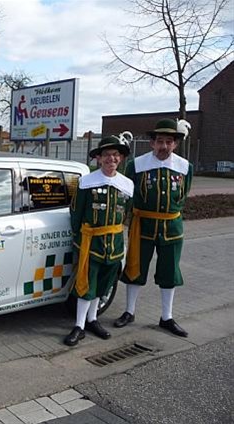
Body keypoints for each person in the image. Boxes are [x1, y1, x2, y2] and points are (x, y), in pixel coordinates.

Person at [115, 118, 193, 337]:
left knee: (170, 271)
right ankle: (129, 312)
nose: (164, 146)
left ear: (175, 144)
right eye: (160, 141)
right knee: (135, 267)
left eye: (169, 141)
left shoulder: (185, 167)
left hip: (172, 227)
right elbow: (127, 196)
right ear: (152, 143)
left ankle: (166, 317)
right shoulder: (137, 165)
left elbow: (182, 195)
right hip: (143, 224)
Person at [64, 135, 133, 346]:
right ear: (99, 159)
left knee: (103, 285)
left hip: (114, 245)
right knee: (86, 285)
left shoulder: (127, 184)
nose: (111, 159)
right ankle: (79, 326)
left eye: (115, 155)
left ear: (120, 158)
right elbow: (76, 214)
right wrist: (79, 240)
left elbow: (126, 213)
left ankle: (93, 320)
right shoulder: (86, 182)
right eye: (106, 155)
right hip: (90, 243)